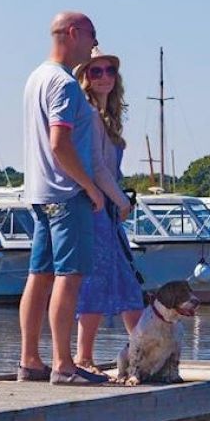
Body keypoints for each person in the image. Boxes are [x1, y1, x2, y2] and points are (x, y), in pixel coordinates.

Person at [18, 12, 109, 385]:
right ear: (73, 33)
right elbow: (60, 143)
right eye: (92, 36)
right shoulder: (65, 84)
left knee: (38, 275)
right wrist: (89, 186)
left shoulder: (35, 78)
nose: (94, 45)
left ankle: (29, 360)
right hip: (66, 194)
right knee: (68, 278)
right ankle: (63, 364)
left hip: (39, 193)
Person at [72, 48, 146, 374]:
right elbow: (99, 169)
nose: (103, 77)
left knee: (124, 281)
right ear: (84, 78)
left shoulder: (105, 117)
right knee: (98, 281)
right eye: (95, 71)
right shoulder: (89, 114)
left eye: (109, 71)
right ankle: (83, 356)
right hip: (98, 208)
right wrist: (123, 201)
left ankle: (144, 349)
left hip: (107, 211)